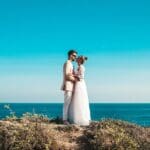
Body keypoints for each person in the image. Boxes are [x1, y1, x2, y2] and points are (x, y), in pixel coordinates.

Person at [68, 56, 91, 126]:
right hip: (77, 83)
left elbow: (80, 77)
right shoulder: (79, 66)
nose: (76, 59)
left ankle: (81, 119)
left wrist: (72, 75)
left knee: (80, 99)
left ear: (80, 60)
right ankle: (75, 117)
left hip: (80, 84)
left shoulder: (81, 67)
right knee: (76, 99)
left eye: (77, 59)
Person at [61, 50, 78, 125]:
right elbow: (67, 75)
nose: (75, 57)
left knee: (70, 103)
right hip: (68, 85)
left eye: (76, 56)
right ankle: (64, 120)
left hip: (71, 86)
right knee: (67, 103)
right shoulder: (67, 63)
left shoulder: (71, 64)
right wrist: (76, 80)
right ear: (70, 55)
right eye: (74, 55)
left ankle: (69, 118)